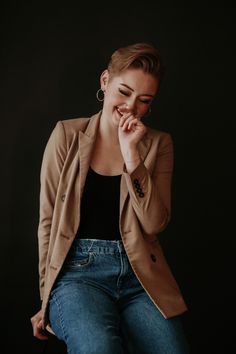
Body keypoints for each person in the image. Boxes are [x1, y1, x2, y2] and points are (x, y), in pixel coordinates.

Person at [31, 42, 189, 354]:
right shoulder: (66, 135)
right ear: (105, 81)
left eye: (144, 101)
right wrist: (45, 298)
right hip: (78, 274)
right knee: (99, 348)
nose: (131, 106)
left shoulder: (159, 144)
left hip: (139, 276)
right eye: (124, 92)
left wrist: (133, 158)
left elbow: (154, 223)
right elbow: (47, 222)